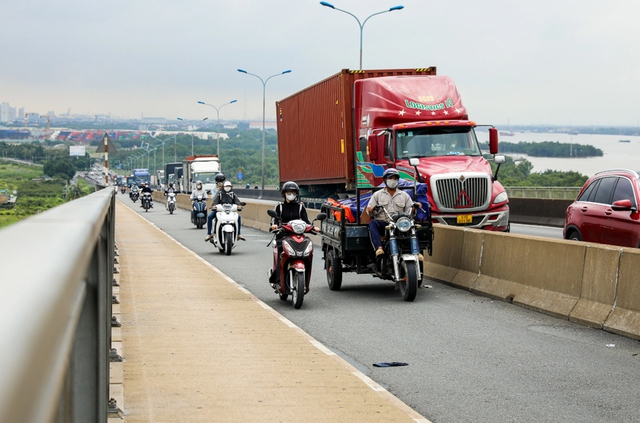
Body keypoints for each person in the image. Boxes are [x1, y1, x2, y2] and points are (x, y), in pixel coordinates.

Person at [268, 181, 319, 286]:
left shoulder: (300, 206)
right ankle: (276, 279)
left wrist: (313, 227)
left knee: (307, 252)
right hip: (283, 235)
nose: (291, 195)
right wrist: (274, 226)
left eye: (293, 193)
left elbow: (306, 221)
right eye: (289, 192)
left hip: (298, 236)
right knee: (282, 255)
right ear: (284, 193)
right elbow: (274, 220)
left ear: (297, 194)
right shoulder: (279, 207)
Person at [366, 168, 415, 257]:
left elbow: (410, 210)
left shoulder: (404, 195)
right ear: (385, 180)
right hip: (384, 224)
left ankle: (416, 252)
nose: (393, 181)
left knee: (413, 225)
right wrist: (371, 209)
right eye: (390, 178)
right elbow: (369, 210)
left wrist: (414, 208)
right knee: (373, 223)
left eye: (395, 178)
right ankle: (379, 248)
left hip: (399, 225)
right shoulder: (377, 195)